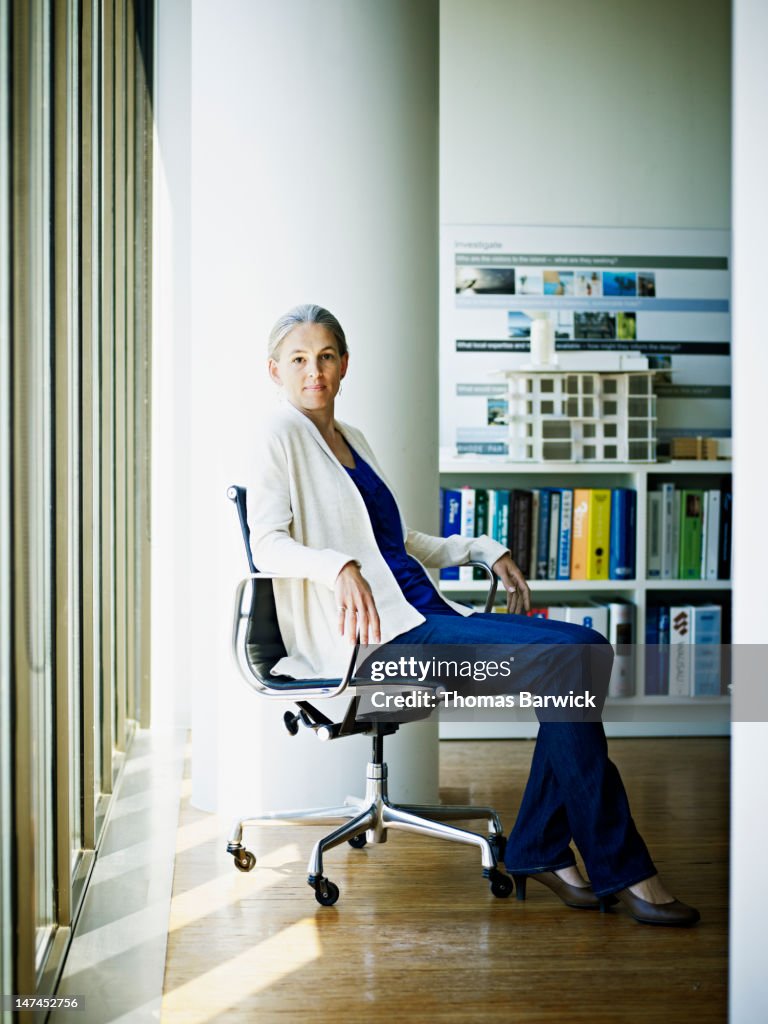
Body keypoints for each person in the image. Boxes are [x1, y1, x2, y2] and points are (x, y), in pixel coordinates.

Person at [247, 303, 700, 927]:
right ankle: (618, 866)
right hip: (378, 643)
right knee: (575, 656)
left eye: (325, 357)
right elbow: (266, 542)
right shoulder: (279, 436)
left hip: (423, 614)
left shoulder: (352, 440)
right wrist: (336, 567)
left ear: (345, 364)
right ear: (275, 370)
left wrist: (483, 549)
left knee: (584, 650)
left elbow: (395, 542)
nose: (314, 371)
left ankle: (542, 848)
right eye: (298, 359)